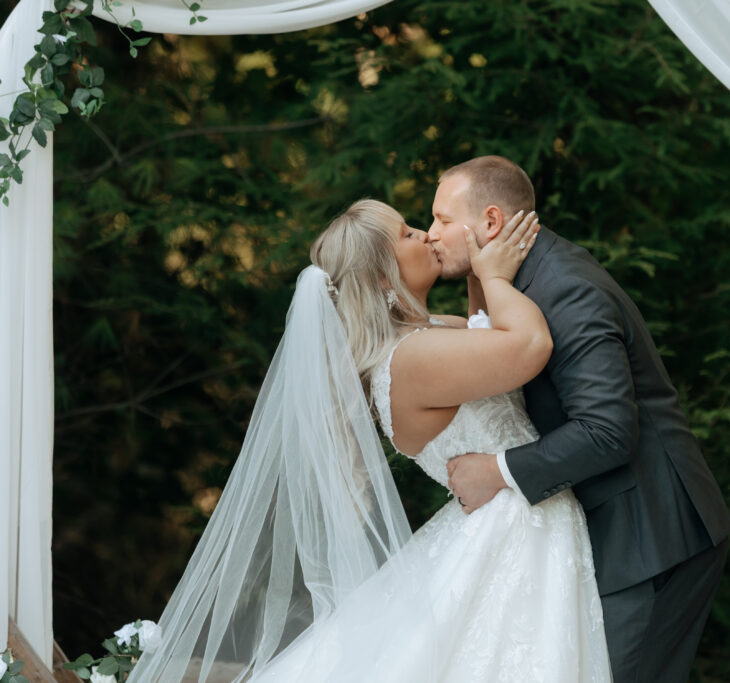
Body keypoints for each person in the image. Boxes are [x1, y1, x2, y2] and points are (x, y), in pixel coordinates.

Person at [127, 199, 611, 682]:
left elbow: (487, 334)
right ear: (382, 278)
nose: (424, 234)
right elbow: (528, 345)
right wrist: (497, 278)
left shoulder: (429, 332)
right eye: (405, 234)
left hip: (519, 515)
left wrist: (475, 270)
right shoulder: (411, 358)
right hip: (509, 530)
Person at [432, 156, 730, 682]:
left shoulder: (566, 289)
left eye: (441, 219)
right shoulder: (520, 277)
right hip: (616, 530)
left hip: (651, 534)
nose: (432, 234)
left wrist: (496, 471)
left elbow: (608, 430)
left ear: (492, 223)